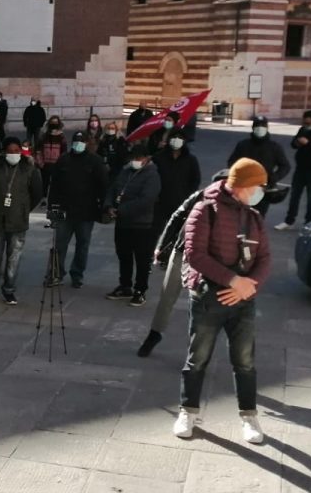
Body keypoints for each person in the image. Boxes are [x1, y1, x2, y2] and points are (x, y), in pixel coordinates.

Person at [173, 157, 272, 445]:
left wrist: (248, 286)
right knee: (198, 358)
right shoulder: (205, 210)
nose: (260, 192)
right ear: (241, 186)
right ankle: (188, 411)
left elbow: (264, 257)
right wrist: (233, 281)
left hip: (243, 299)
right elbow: (195, 254)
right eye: (257, 186)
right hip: (209, 296)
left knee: (245, 360)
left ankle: (249, 415)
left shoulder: (253, 217)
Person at [139, 169, 231, 359]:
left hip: (209, 262)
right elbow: (176, 216)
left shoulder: (235, 208)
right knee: (167, 297)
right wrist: (162, 245)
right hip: (183, 252)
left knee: (200, 304)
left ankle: (196, 350)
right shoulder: (200, 196)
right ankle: (154, 335)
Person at [0, 136, 43, 305]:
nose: (14, 154)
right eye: (10, 151)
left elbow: (37, 193)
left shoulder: (29, 169)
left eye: (16, 151)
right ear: (4, 152)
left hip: (18, 221)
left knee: (14, 258)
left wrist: (24, 209)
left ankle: (9, 289)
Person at [46, 130, 108, 288]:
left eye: (81, 141)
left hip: (86, 212)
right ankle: (55, 273)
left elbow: (103, 186)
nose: (78, 144)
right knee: (59, 244)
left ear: (86, 143)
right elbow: (54, 186)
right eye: (76, 141)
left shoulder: (95, 161)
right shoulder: (64, 160)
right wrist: (52, 207)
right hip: (64, 210)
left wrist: (104, 207)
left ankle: (77, 274)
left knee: (82, 245)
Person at [104, 142, 161, 307]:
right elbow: (114, 188)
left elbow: (146, 200)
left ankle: (140, 290)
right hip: (122, 223)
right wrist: (109, 206)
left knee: (142, 259)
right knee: (124, 256)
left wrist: (121, 209)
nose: (135, 160)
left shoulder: (152, 175)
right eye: (133, 157)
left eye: (138, 158)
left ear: (147, 158)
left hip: (141, 224)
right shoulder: (126, 170)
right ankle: (125, 285)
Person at [276, 109, 311, 231]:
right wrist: (298, 143)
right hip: (300, 168)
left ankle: (309, 222)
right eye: (304, 122)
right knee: (295, 195)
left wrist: (308, 143)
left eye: (308, 123)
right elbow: (293, 144)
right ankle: (289, 220)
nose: (306, 125)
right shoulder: (303, 129)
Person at [227, 115, 290, 218]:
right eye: (257, 125)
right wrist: (239, 175)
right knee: (241, 216)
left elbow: (285, 166)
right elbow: (232, 162)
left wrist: (274, 177)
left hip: (263, 188)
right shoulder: (243, 145)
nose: (260, 128)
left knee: (258, 217)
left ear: (267, 128)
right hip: (244, 187)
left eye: (263, 126)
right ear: (253, 128)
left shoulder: (274, 147)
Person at [152, 128, 202, 238]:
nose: (176, 140)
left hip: (181, 202)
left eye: (180, 138)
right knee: (156, 232)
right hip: (160, 202)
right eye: (174, 137)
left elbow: (195, 180)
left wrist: (188, 197)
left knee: (176, 233)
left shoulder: (190, 160)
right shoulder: (159, 157)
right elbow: (152, 178)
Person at [35, 114, 67, 198]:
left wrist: (61, 164)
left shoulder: (61, 137)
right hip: (45, 165)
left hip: (56, 165)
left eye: (56, 123)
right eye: (52, 123)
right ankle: (44, 199)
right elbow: (38, 150)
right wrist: (40, 162)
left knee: (56, 184)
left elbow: (64, 152)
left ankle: (55, 199)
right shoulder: (44, 136)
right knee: (44, 184)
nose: (54, 124)